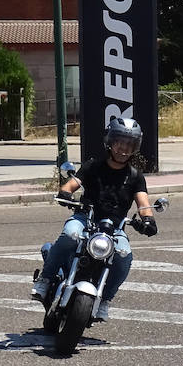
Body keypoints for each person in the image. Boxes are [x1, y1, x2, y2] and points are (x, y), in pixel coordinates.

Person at [30, 117, 157, 322]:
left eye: (129, 144)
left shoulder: (135, 176)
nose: (123, 148)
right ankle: (45, 280)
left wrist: (148, 219)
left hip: (114, 228)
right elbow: (72, 184)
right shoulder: (93, 166)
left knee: (124, 255)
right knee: (71, 234)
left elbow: (143, 203)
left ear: (135, 147)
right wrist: (65, 193)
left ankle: (105, 299)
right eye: (120, 142)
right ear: (110, 141)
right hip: (85, 219)